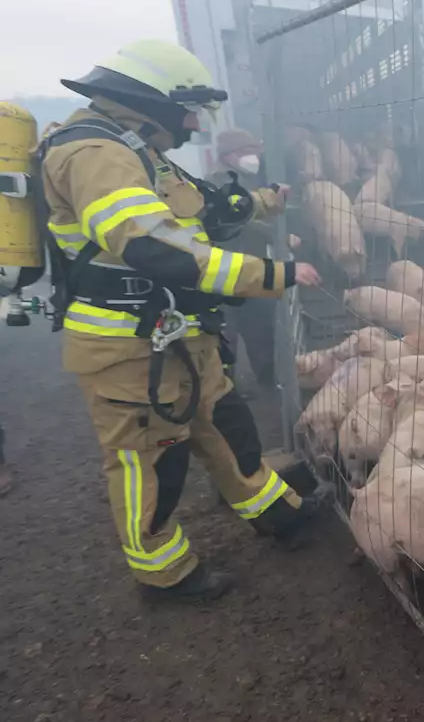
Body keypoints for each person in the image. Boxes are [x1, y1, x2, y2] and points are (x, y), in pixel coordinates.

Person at [40, 40, 324, 601]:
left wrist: (264, 200)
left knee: (227, 429)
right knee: (152, 464)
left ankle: (280, 516)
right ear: (153, 101)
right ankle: (164, 575)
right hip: (128, 350)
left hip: (178, 336)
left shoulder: (136, 149)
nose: (195, 124)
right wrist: (273, 274)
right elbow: (155, 245)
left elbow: (202, 208)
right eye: (189, 110)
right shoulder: (92, 154)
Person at [211, 128, 278, 388]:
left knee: (261, 326)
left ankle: (267, 378)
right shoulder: (217, 183)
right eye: (245, 152)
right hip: (224, 271)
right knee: (225, 333)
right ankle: (225, 388)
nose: (253, 157)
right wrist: (279, 236)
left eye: (254, 151)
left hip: (254, 267)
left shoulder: (251, 180)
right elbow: (244, 217)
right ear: (228, 156)